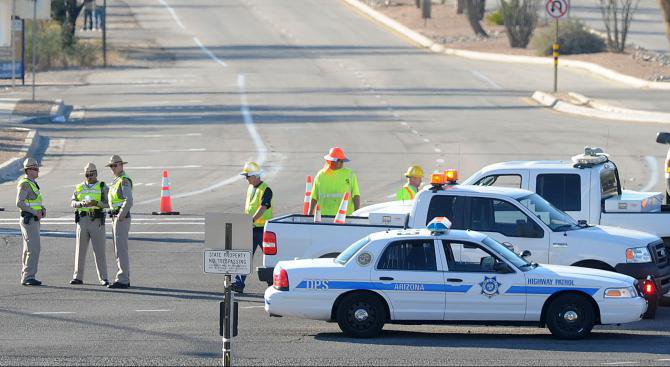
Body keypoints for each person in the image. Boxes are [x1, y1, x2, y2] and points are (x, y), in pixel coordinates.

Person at [232, 162, 273, 293]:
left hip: (263, 229)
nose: (246, 179)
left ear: (255, 176)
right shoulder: (251, 188)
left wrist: (252, 220)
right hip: (251, 228)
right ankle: (239, 284)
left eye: (247, 176)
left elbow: (263, 207)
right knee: (245, 256)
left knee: (269, 257)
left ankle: (273, 283)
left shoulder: (266, 189)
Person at [70, 163, 109, 286]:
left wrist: (96, 203)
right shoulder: (79, 187)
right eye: (87, 174)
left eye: (92, 174)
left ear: (96, 173)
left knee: (99, 250)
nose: (89, 176)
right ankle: (78, 276)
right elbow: (72, 202)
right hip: (82, 220)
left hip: (96, 220)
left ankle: (103, 278)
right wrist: (80, 204)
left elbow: (108, 203)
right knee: (80, 250)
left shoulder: (102, 187)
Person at [16, 158, 45, 286]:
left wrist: (42, 209)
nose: (38, 170)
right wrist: (35, 212)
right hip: (29, 220)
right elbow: (19, 203)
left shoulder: (32, 183)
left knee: (29, 248)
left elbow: (34, 202)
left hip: (33, 219)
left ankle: (26, 275)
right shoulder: (25, 184)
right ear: (28, 170)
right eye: (35, 168)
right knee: (34, 249)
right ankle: (28, 276)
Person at [106, 155, 133, 289]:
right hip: (116, 217)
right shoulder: (116, 180)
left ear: (121, 165)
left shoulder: (124, 180)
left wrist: (120, 215)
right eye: (111, 166)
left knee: (121, 250)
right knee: (119, 249)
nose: (112, 168)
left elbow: (129, 200)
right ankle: (123, 277)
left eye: (114, 165)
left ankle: (123, 279)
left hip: (120, 218)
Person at [309, 147, 360, 216]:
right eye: (340, 160)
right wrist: (310, 213)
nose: (342, 163)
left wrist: (357, 213)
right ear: (331, 161)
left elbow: (356, 195)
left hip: (345, 216)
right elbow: (314, 197)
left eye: (342, 161)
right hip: (324, 216)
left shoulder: (350, 174)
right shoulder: (320, 175)